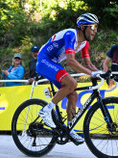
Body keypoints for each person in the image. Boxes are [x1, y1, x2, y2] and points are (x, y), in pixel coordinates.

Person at [36, 13, 101, 144]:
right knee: (72, 83)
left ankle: (69, 129)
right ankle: (45, 110)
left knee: (73, 96)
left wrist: (101, 74)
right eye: (93, 27)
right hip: (44, 60)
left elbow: (88, 64)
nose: (95, 31)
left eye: (96, 27)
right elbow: (71, 61)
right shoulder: (71, 34)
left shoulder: (84, 43)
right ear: (82, 27)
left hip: (53, 62)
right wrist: (90, 73)